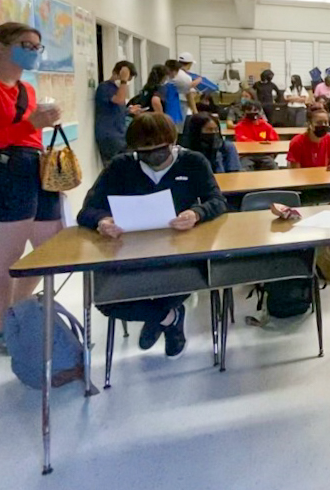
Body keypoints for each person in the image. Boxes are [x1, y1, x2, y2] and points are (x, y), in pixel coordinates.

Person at [78, 113, 227, 358]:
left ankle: (161, 318)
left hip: (180, 252)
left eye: (160, 149)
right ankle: (169, 318)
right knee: (106, 300)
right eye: (144, 152)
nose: (153, 157)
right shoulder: (121, 166)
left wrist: (196, 213)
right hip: (131, 253)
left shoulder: (193, 162)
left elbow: (217, 201)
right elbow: (88, 210)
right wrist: (102, 220)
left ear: (172, 142)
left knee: (178, 285)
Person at [0, 22, 63, 354]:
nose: (33, 52)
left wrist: (41, 127)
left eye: (37, 46)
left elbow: (29, 136)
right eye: (26, 44)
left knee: (51, 248)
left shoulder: (26, 90)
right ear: (1, 47)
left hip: (34, 169)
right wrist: (29, 124)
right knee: (6, 257)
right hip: (4, 173)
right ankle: (2, 330)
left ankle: (18, 310)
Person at [95, 60, 141, 167]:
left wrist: (129, 110)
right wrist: (123, 81)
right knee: (116, 167)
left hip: (120, 134)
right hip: (109, 136)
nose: (126, 83)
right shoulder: (105, 87)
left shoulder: (117, 89)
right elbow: (119, 100)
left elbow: (116, 108)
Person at [234, 100, 278, 171]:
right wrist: (259, 144)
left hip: (264, 154)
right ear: (244, 111)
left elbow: (274, 140)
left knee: (273, 167)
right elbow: (240, 140)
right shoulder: (240, 126)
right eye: (249, 110)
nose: (252, 112)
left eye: (255, 110)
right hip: (247, 155)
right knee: (243, 170)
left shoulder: (266, 126)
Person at [173, 52, 201, 118]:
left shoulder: (174, 73)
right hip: (182, 104)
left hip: (172, 103)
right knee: (180, 126)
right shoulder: (186, 77)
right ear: (190, 64)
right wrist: (195, 111)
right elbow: (189, 95)